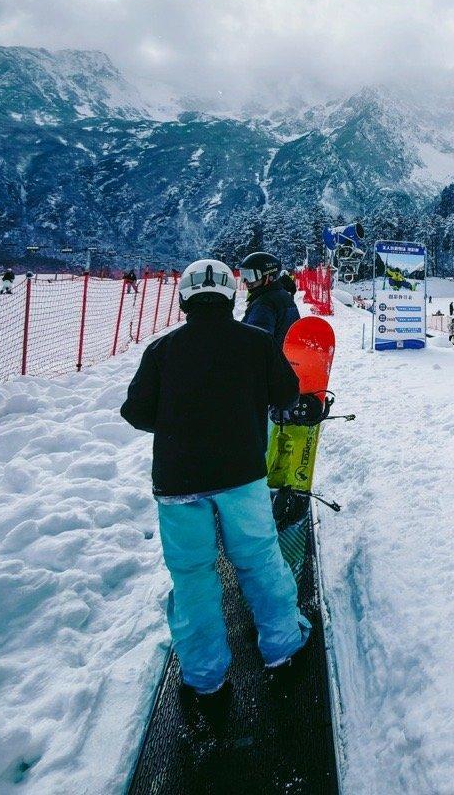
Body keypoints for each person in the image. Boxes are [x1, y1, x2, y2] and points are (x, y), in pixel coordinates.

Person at [120, 259, 310, 730]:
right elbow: (286, 393)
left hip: (177, 484)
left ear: (184, 299)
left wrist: (180, 427)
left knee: (193, 578)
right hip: (242, 475)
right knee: (260, 562)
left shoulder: (162, 350)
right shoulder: (256, 343)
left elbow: (136, 411)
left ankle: (206, 679)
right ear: (230, 295)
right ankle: (282, 648)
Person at [239, 252, 300, 345]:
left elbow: (255, 343)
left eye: (251, 275)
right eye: (244, 275)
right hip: (281, 356)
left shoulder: (264, 304)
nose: (245, 281)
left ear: (268, 276)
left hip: (268, 358)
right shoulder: (283, 295)